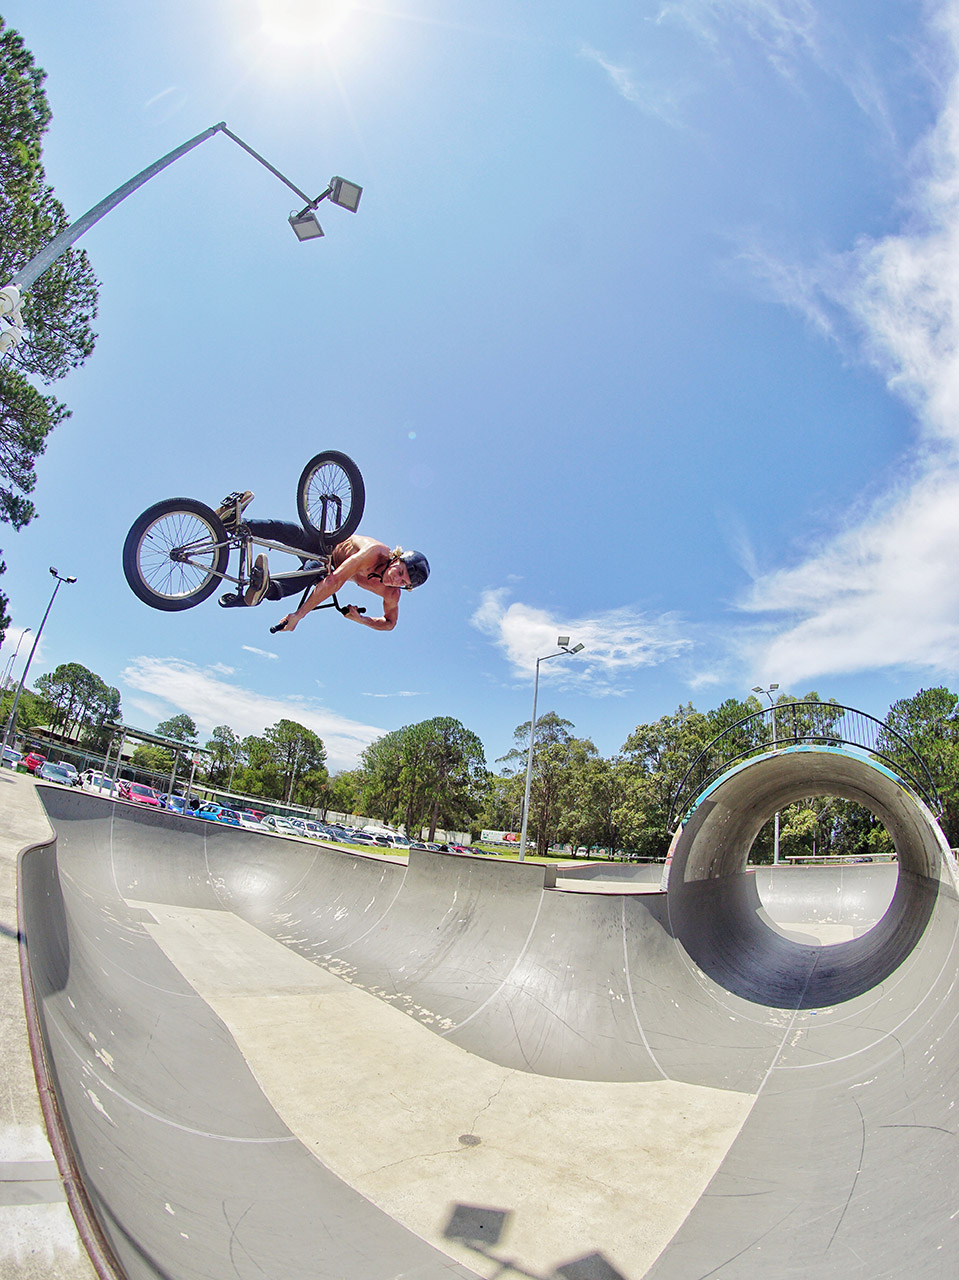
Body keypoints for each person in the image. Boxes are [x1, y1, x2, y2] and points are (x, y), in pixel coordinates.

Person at [213, 491, 429, 632]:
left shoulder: (391, 593)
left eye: (403, 583)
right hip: (325, 545)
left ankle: (264, 589)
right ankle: (232, 522)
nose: (396, 580)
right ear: (395, 559)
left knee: (314, 570)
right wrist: (299, 615)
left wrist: (361, 620)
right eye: (400, 572)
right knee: (286, 529)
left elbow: (390, 623)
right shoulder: (374, 552)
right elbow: (335, 581)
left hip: (326, 566)